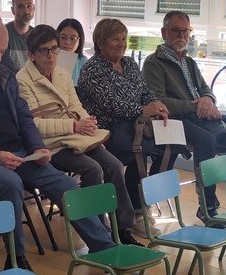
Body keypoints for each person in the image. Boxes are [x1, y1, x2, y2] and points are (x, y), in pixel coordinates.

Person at [0, 17, 116, 270]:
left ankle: (104, 248)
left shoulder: (4, 74)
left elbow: (25, 117)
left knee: (66, 184)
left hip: (16, 153)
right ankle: (16, 259)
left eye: (2, 51)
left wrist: (37, 147)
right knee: (10, 182)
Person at [16, 25, 148, 245]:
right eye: (44, 50)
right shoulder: (22, 80)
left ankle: (123, 227)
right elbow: (33, 125)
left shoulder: (61, 73)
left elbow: (76, 106)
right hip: (50, 144)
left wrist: (87, 123)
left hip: (75, 137)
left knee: (115, 165)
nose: (51, 55)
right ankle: (100, 232)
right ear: (31, 54)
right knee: (93, 169)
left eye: (54, 49)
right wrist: (75, 126)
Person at [142, 10, 226, 218]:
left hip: (203, 118)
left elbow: (207, 91)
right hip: (175, 120)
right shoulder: (153, 63)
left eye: (185, 31)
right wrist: (196, 106)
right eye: (175, 30)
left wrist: (208, 101)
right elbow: (159, 102)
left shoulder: (189, 62)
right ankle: (208, 207)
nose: (181, 35)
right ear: (164, 33)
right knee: (206, 141)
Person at [77, 18, 170, 212]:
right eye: (115, 39)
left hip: (133, 125)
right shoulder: (92, 69)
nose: (121, 44)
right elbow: (110, 103)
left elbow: (145, 91)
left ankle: (139, 204)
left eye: (123, 38)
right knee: (143, 147)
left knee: (168, 144)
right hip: (107, 130)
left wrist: (157, 105)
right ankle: (131, 209)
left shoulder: (129, 63)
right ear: (100, 42)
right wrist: (142, 110)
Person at [6, 0, 34, 66]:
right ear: (13, 10)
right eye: (21, 7)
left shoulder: (37, 35)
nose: (26, 11)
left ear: (34, 8)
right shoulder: (4, 32)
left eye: (29, 6)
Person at [56, 17, 88, 85]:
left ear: (79, 41)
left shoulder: (84, 62)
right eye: (63, 38)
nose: (67, 42)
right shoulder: (50, 57)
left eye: (72, 38)